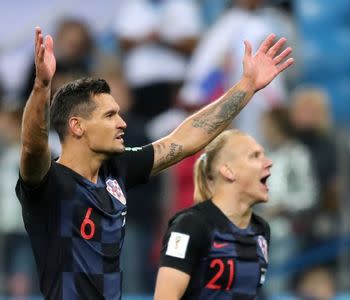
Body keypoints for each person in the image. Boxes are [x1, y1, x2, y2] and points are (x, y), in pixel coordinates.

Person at [15, 27, 293, 299]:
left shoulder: (117, 169)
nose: (122, 123)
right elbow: (32, 147)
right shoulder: (50, 184)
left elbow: (186, 139)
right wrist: (41, 87)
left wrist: (247, 86)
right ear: (77, 126)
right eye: (110, 115)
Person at [155, 129, 272, 299]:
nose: (268, 162)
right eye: (255, 156)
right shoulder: (190, 225)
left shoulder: (261, 230)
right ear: (228, 171)